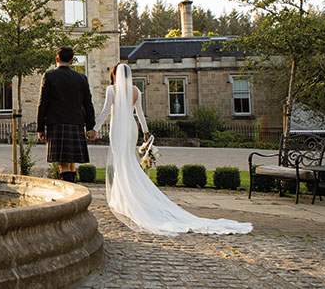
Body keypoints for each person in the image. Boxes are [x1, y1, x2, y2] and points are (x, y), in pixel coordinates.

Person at [94, 63, 252, 235]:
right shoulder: (135, 91)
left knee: (121, 163)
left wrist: (95, 128)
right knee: (129, 162)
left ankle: (122, 200)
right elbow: (139, 113)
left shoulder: (112, 90)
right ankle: (126, 198)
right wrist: (146, 132)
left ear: (115, 75)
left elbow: (105, 112)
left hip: (117, 128)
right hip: (132, 128)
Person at [37, 46, 97, 183]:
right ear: (71, 61)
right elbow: (88, 104)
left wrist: (40, 128)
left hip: (56, 123)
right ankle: (74, 190)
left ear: (57, 59)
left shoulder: (49, 75)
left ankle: (69, 193)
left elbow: (43, 103)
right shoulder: (82, 78)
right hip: (76, 123)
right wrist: (90, 127)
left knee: (63, 163)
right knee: (70, 162)